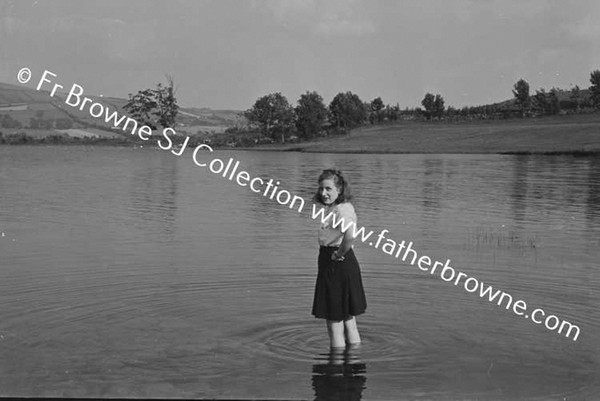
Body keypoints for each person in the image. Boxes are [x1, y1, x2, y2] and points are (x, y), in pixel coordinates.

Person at [311, 169, 367, 349]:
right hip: (338, 263)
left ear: (340, 190)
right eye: (321, 189)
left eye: (328, 189)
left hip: (337, 263)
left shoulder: (343, 209)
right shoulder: (336, 208)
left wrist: (339, 254)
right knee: (348, 318)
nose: (323, 193)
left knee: (334, 320)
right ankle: (353, 363)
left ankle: (334, 370)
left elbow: (351, 236)